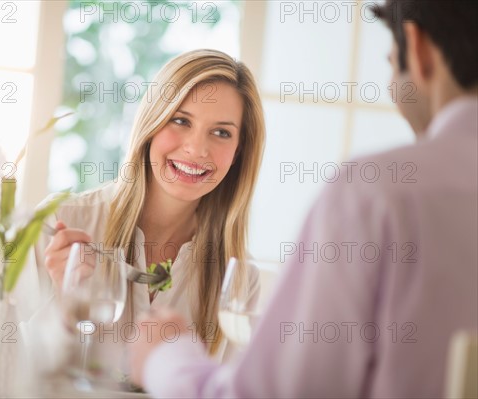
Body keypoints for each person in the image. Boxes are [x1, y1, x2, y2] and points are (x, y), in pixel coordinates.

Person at [129, 1, 478, 397]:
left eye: (389, 60)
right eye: (180, 120)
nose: (196, 148)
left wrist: (165, 357)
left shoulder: (377, 194)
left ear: (417, 48)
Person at [25, 49, 266, 368]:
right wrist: (65, 300)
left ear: (238, 152)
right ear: (151, 124)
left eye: (221, 132)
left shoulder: (239, 276)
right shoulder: (61, 224)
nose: (196, 148)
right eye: (180, 120)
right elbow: (6, 370)